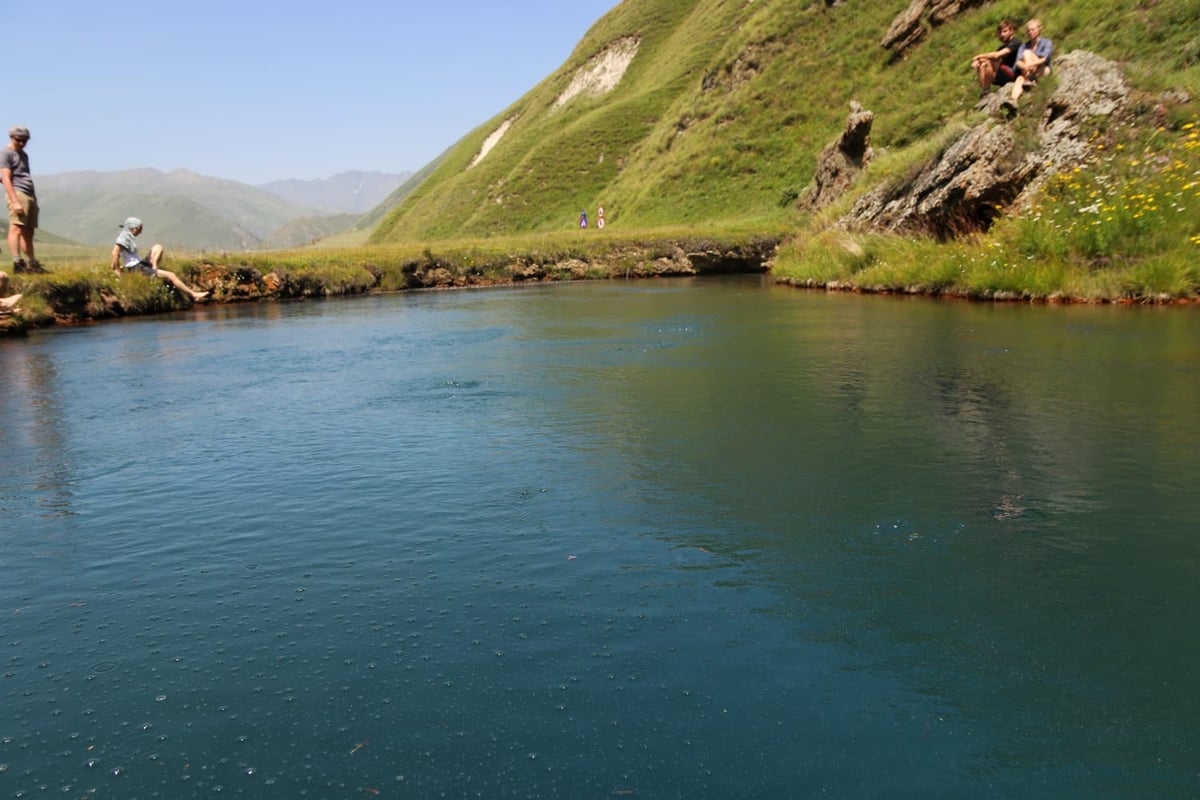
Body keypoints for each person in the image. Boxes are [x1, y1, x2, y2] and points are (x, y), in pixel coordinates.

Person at [112, 217, 209, 303]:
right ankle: (193, 294)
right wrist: (116, 270)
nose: (140, 232)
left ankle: (154, 269)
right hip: (136, 268)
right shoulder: (124, 236)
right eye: (140, 229)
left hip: (140, 263)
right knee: (171, 275)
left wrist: (115, 266)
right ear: (134, 228)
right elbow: (115, 252)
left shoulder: (127, 236)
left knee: (157, 247)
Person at [2, 126, 45, 274]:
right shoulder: (5, 153)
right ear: (12, 138)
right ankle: (17, 262)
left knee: (29, 230)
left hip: (29, 194)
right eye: (18, 140)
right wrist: (14, 201)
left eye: (25, 140)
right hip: (18, 193)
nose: (21, 143)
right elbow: (5, 178)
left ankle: (32, 263)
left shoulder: (23, 155)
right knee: (17, 227)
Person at [1005, 19, 1053, 111]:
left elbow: (1044, 59)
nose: (1030, 32)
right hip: (1028, 72)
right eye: (1028, 31)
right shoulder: (1024, 46)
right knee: (1019, 78)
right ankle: (1013, 100)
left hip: (1042, 70)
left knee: (1027, 53)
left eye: (1033, 30)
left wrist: (1029, 64)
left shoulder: (1046, 42)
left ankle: (1029, 78)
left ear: (1039, 29)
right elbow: (1018, 62)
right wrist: (1025, 66)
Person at [970, 20, 1022, 100]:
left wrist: (978, 57)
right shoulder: (1001, 47)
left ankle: (986, 90)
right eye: (1000, 32)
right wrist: (978, 61)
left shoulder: (1016, 42)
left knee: (989, 61)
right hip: (1002, 74)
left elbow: (997, 55)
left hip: (1014, 74)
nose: (1002, 34)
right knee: (982, 64)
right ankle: (984, 91)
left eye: (1005, 31)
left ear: (1011, 31)